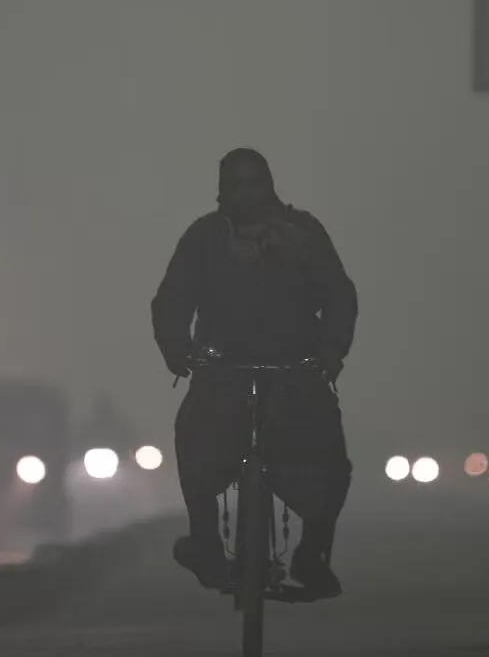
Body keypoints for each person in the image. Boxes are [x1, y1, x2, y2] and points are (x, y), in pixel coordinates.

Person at [151, 147, 357, 598]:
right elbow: (173, 298)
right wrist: (175, 347)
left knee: (329, 463)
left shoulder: (304, 234)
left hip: (296, 373)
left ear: (270, 186)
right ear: (222, 191)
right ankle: (206, 545)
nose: (247, 193)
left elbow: (339, 295)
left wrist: (331, 351)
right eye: (236, 184)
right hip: (220, 371)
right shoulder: (203, 238)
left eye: (255, 183)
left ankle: (312, 554)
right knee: (195, 442)